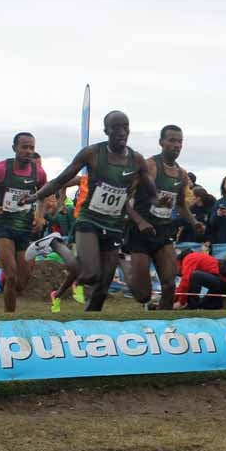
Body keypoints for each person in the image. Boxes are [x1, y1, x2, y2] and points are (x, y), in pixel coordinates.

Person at [24, 111, 155, 312]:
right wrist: (35, 196)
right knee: (89, 275)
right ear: (106, 131)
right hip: (89, 220)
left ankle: (90, 328)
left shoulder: (136, 160)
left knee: (102, 289)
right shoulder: (92, 153)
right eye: (116, 128)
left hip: (114, 225)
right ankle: (55, 243)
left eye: (125, 127)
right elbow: (60, 180)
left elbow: (151, 193)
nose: (121, 132)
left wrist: (158, 202)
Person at [126, 125, 206, 310]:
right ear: (161, 142)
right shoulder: (150, 166)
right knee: (143, 295)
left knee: (170, 284)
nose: (176, 145)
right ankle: (123, 263)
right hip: (141, 232)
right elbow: (124, 198)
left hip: (163, 232)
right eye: (172, 140)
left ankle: (164, 327)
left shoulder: (182, 174)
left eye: (180, 141)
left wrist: (194, 223)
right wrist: (140, 221)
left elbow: (180, 205)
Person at [0, 133, 47, 313]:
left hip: (24, 227)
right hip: (3, 225)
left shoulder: (38, 172)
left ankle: (1, 262)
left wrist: (40, 216)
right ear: (15, 148)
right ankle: (10, 316)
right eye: (24, 147)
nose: (28, 151)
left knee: (22, 283)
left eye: (31, 147)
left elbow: (44, 195)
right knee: (12, 276)